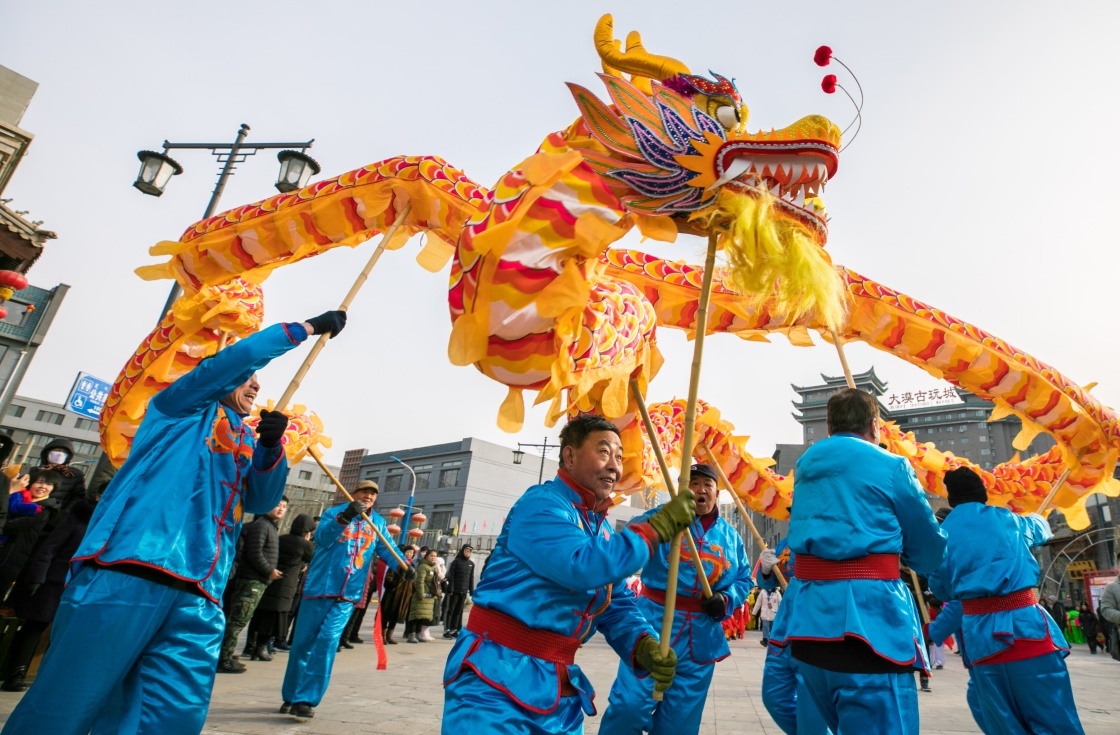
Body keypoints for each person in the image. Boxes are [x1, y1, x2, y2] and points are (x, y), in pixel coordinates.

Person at [0, 310, 346, 735]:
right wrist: (304, 329)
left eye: (258, 380)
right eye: (249, 377)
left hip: (202, 592)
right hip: (129, 573)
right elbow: (233, 362)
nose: (256, 384)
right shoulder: (177, 410)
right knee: (67, 704)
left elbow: (263, 499)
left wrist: (271, 448)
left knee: (171, 716)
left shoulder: (244, 439)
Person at [441, 414, 697, 735]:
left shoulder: (600, 527)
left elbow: (615, 603)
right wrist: (654, 529)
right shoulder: (541, 505)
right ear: (570, 456)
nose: (614, 466)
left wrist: (642, 643)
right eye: (604, 452)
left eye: (619, 456)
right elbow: (582, 566)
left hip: (557, 687)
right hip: (494, 679)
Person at [777, 388, 947, 735]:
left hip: (810, 627)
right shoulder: (891, 465)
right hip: (870, 628)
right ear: (874, 424)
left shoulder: (806, 464)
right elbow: (930, 549)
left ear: (829, 426)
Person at [600, 462, 754, 735]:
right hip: (653, 624)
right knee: (629, 706)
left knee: (680, 724)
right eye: (694, 484)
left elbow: (743, 578)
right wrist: (662, 523)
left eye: (707, 485)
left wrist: (726, 599)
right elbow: (628, 544)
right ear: (682, 490)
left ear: (717, 494)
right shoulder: (661, 518)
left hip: (701, 635)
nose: (701, 490)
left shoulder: (730, 536)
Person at [928, 466, 1085, 734]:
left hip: (981, 642)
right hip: (1028, 632)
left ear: (951, 500)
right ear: (983, 494)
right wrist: (1037, 517)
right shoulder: (1009, 520)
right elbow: (1040, 529)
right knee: (1055, 719)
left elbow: (941, 590)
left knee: (1002, 725)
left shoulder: (941, 536)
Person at [280, 480, 414, 720]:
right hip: (319, 587)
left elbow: (387, 548)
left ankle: (306, 699)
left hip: (348, 593)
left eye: (373, 494)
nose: (369, 496)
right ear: (353, 493)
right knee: (302, 644)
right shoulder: (333, 513)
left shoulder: (379, 523)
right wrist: (345, 517)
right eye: (365, 492)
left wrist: (403, 566)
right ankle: (291, 695)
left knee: (328, 640)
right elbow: (321, 538)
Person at [0, 482, 103, 692]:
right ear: (97, 497)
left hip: (82, 585)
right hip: (53, 582)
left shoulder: (110, 525)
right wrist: (38, 577)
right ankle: (15, 672)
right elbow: (49, 548)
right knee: (34, 627)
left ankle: (46, 677)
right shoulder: (77, 518)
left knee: (62, 631)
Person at [218, 496, 288, 671]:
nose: (280, 509)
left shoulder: (270, 526)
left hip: (258, 580)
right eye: (277, 505)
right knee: (237, 621)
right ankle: (223, 659)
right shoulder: (262, 526)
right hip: (251, 580)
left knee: (239, 620)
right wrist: (269, 571)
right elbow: (254, 553)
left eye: (284, 506)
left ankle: (225, 654)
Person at [248, 513, 316, 655]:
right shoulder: (306, 545)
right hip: (288, 584)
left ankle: (251, 646)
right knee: (276, 617)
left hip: (272, 579)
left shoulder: (281, 538)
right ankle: (263, 646)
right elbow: (310, 559)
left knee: (262, 614)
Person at [381, 545, 417, 645]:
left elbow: (414, 581)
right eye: (407, 552)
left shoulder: (412, 566)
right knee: (386, 615)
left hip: (404, 595)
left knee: (396, 616)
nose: (409, 554)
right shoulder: (397, 563)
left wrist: (412, 590)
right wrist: (393, 586)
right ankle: (382, 635)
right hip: (392, 594)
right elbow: (389, 577)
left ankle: (389, 636)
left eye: (411, 553)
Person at [407, 548, 442, 643]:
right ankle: (411, 634)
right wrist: (421, 593)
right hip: (422, 595)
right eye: (431, 556)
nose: (433, 558)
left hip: (429, 596)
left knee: (422, 616)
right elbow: (419, 581)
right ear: (426, 556)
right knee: (415, 615)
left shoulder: (433, 567)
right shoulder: (423, 566)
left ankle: (418, 633)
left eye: (435, 556)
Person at [443, 544, 475, 638]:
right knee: (451, 610)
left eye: (469, 552)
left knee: (459, 610)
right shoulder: (456, 562)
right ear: (462, 551)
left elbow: (471, 578)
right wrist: (451, 588)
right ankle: (447, 630)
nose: (467, 553)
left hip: (464, 591)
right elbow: (451, 576)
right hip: (454, 590)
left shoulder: (471, 564)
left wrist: (472, 591)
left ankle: (455, 629)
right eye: (466, 551)